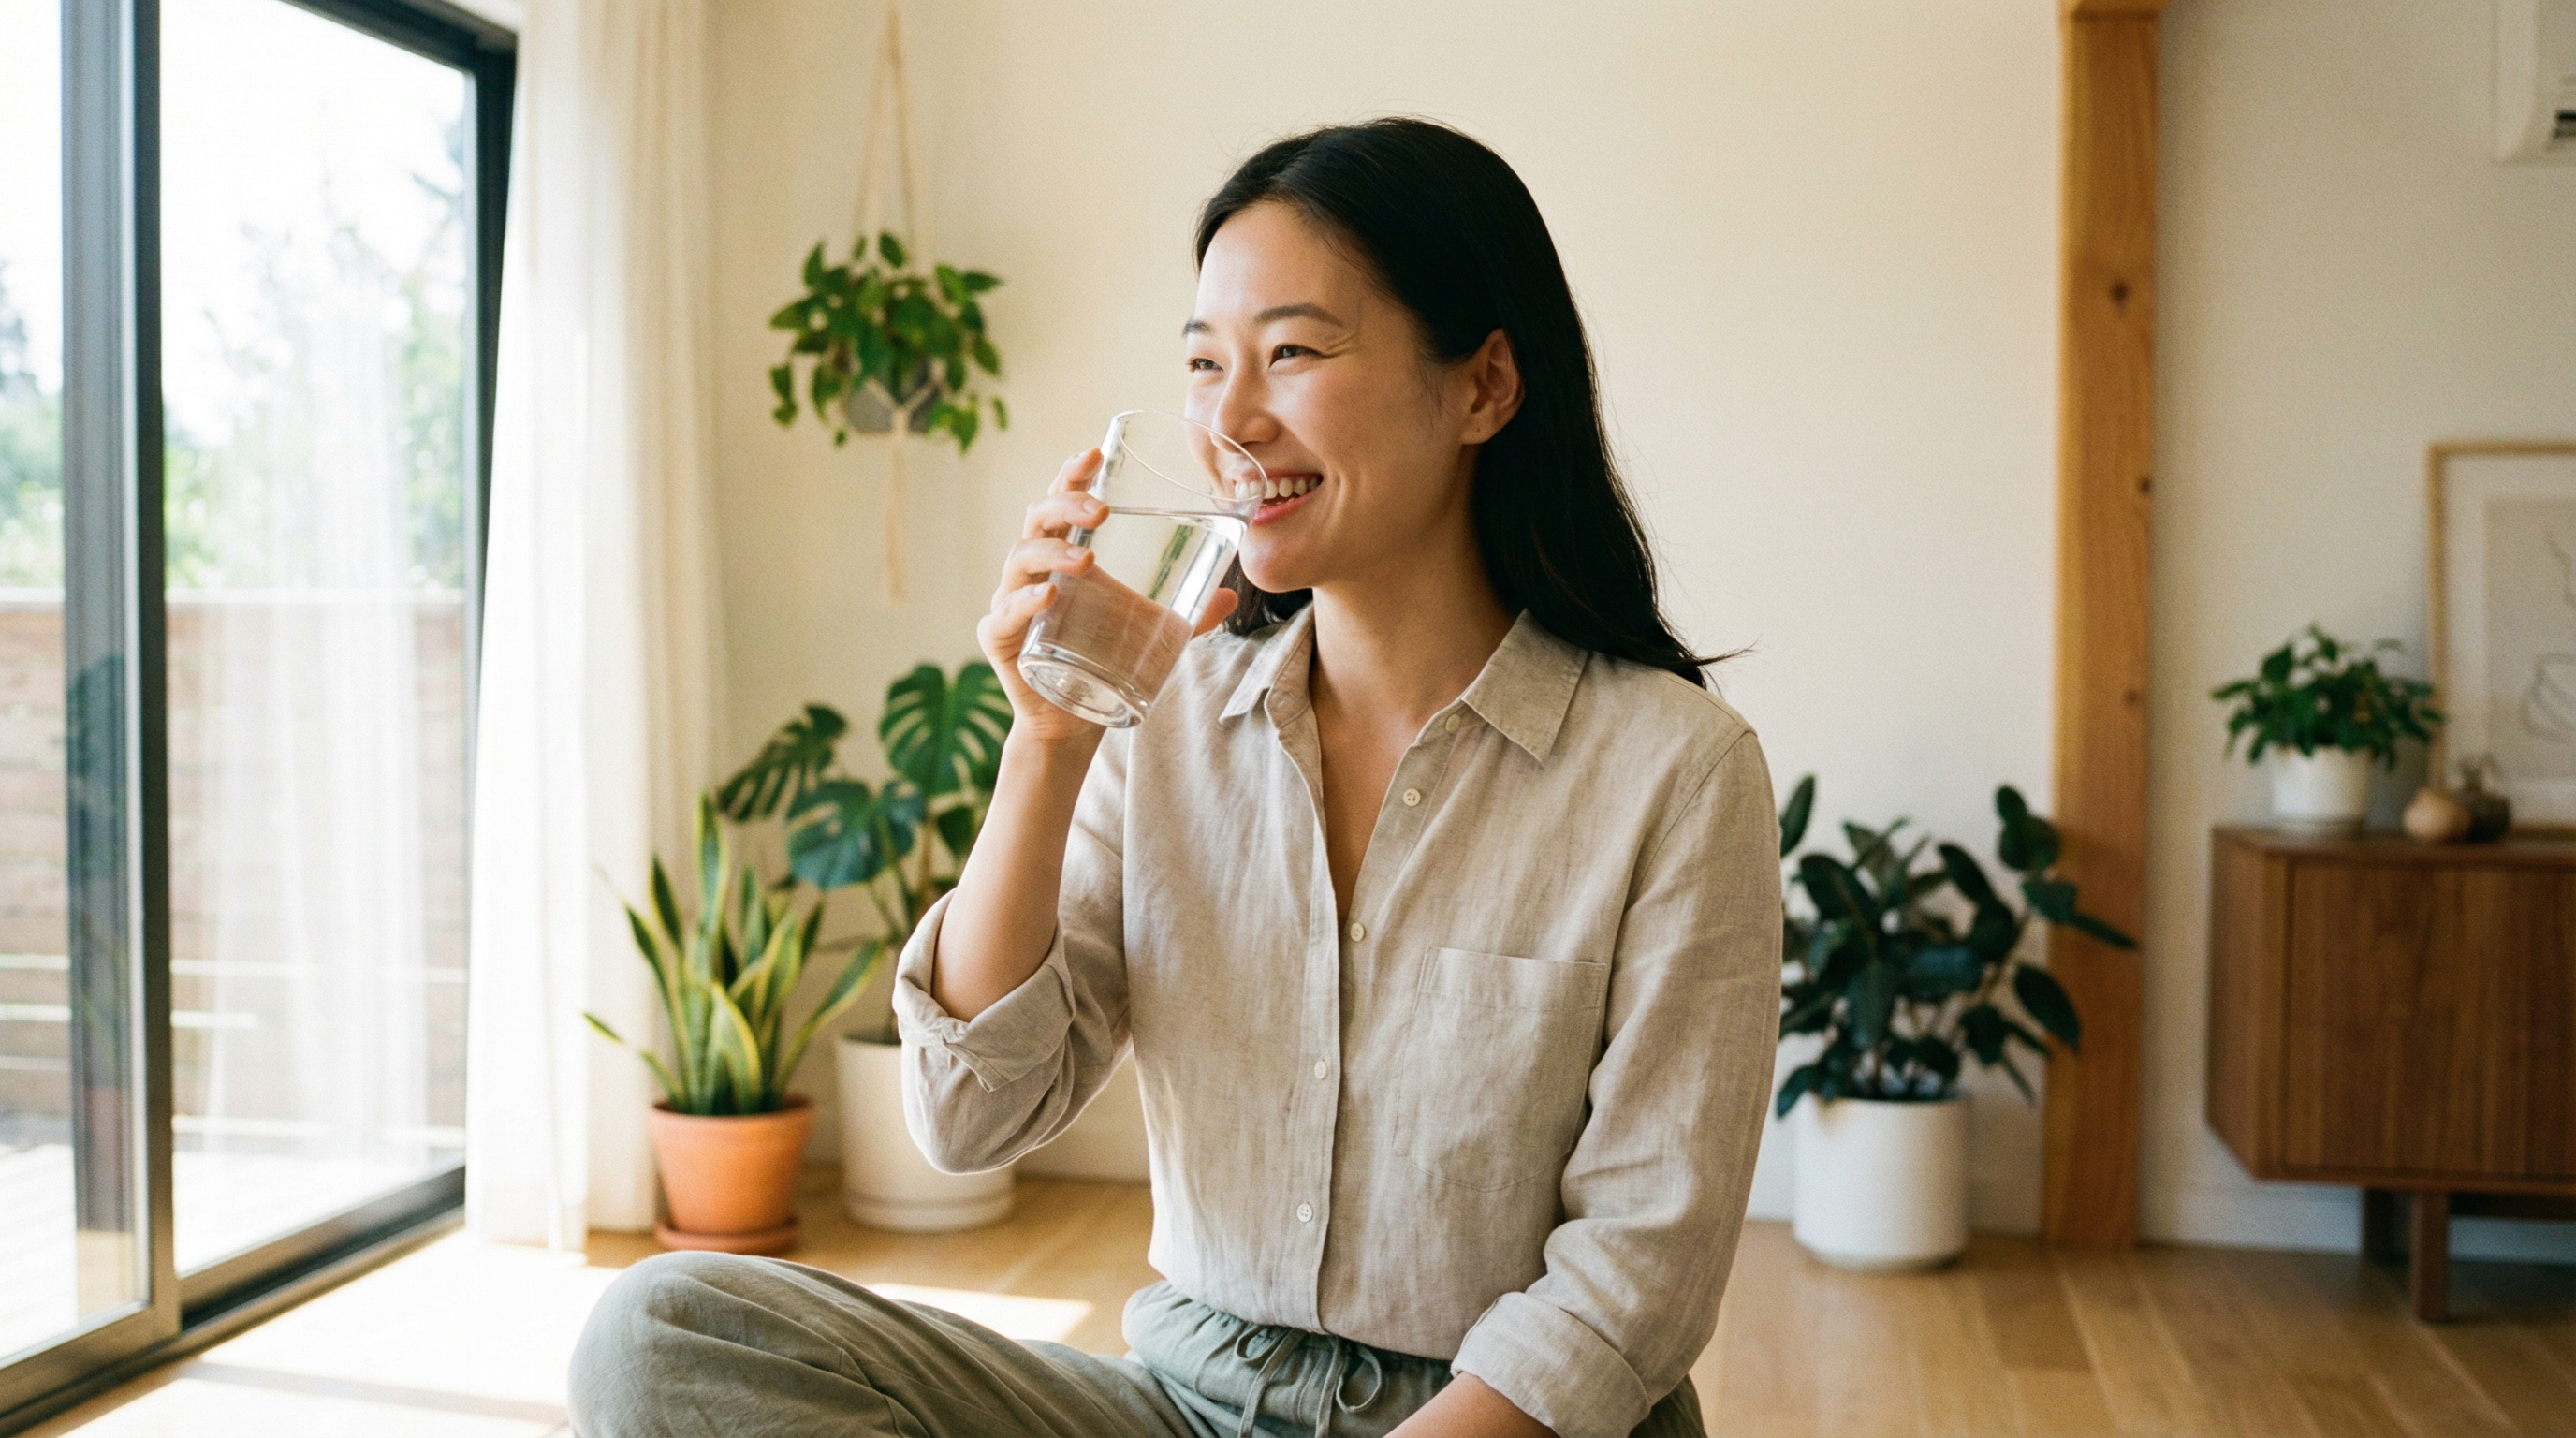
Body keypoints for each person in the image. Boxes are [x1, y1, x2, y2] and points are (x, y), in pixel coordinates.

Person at [570, 116, 1780, 1438]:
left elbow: (1637, 1275)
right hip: (1193, 1403)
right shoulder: (1163, 724)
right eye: (1204, 365)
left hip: (1505, 1423)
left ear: (1484, 387)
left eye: (1293, 353)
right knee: (666, 1334)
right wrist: (1046, 745)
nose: (1231, 420)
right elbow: (972, 1117)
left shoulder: (1675, 771)